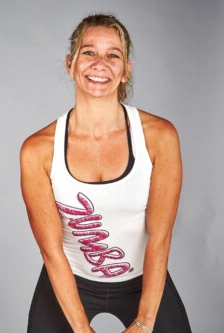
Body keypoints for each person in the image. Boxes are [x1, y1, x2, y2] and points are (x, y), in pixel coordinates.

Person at [21, 14, 191, 333]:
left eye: (113, 54)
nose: (100, 63)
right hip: (70, 281)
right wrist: (82, 330)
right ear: (70, 64)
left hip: (144, 280)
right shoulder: (38, 150)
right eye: (89, 52)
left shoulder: (159, 137)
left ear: (125, 70)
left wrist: (144, 322)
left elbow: (160, 235)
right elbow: (51, 249)